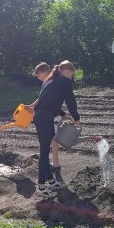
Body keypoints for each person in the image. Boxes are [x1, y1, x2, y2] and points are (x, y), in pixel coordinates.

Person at [32, 60, 80, 198]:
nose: (72, 76)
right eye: (72, 73)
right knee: (44, 151)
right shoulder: (64, 81)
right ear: (67, 71)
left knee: (45, 149)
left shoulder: (52, 81)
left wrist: (63, 114)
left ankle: (51, 181)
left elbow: (51, 102)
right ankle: (41, 186)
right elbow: (70, 101)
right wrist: (76, 117)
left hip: (41, 115)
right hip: (44, 116)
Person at [26, 62, 66, 185]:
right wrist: (32, 106)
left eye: (38, 75)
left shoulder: (49, 83)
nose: (38, 78)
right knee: (45, 148)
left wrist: (34, 107)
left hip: (45, 115)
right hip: (44, 116)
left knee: (48, 144)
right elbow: (42, 99)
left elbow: (44, 100)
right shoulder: (48, 83)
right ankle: (43, 183)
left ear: (44, 73)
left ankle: (51, 173)